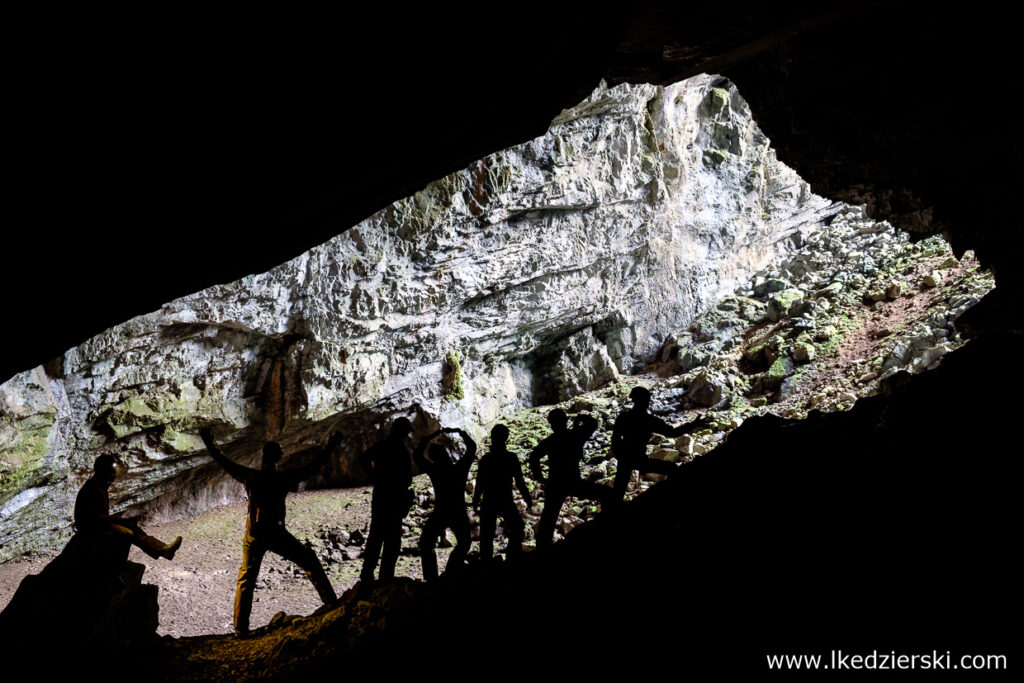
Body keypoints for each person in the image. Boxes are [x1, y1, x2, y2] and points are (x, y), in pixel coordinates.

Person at [200, 427, 339, 636]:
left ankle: (240, 628)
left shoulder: (250, 476)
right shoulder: (282, 479)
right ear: (279, 457)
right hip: (276, 534)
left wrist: (210, 444)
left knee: (246, 578)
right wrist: (330, 447)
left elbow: (224, 462)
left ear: (263, 457)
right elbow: (312, 467)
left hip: (254, 534)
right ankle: (331, 603)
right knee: (308, 560)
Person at [610, 386, 708, 503]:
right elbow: (673, 432)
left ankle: (611, 514)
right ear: (647, 401)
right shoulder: (649, 420)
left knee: (618, 492)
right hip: (639, 459)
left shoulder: (624, 417)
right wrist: (693, 424)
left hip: (625, 459)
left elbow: (615, 439)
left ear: (633, 400)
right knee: (672, 469)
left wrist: (619, 455)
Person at [74, 454, 182, 560]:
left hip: (94, 524)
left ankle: (163, 549)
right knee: (126, 532)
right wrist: (118, 520)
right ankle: (160, 550)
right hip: (90, 528)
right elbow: (95, 518)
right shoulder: (94, 489)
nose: (114, 474)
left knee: (131, 526)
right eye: (112, 471)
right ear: (105, 471)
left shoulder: (98, 485)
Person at [530, 412, 613, 547]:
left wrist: (540, 478)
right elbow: (593, 424)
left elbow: (533, 457)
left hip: (555, 484)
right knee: (607, 494)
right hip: (573, 481)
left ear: (551, 424)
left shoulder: (552, 440)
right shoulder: (575, 435)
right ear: (566, 420)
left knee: (548, 519)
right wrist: (579, 418)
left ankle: (542, 551)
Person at [413, 427, 476, 581]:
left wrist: (431, 436)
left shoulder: (434, 470)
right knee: (464, 542)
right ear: (446, 455)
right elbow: (472, 448)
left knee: (426, 544)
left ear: (434, 458)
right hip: (458, 511)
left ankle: (431, 578)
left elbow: (416, 455)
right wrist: (461, 433)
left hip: (441, 511)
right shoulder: (459, 469)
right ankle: (451, 571)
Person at [359, 417, 415, 584]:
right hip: (395, 498)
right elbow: (407, 477)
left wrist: (374, 474)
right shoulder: (401, 451)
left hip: (382, 496)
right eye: (405, 432)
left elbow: (364, 458)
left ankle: (368, 574)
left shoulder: (381, 447)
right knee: (392, 540)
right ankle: (385, 576)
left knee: (376, 536)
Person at [473, 424, 533, 561]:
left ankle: (486, 563)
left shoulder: (486, 459)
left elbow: (480, 483)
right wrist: (527, 497)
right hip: (505, 499)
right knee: (517, 527)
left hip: (489, 500)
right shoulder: (511, 458)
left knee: (486, 535)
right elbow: (520, 481)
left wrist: (476, 500)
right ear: (506, 438)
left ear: (492, 438)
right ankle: (512, 558)